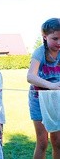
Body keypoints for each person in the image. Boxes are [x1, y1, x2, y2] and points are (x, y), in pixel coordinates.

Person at [27, 18, 60, 159]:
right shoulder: (39, 53)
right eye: (55, 38)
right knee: (42, 142)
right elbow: (30, 76)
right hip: (38, 100)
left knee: (58, 142)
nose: (59, 42)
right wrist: (51, 85)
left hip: (56, 100)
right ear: (45, 37)